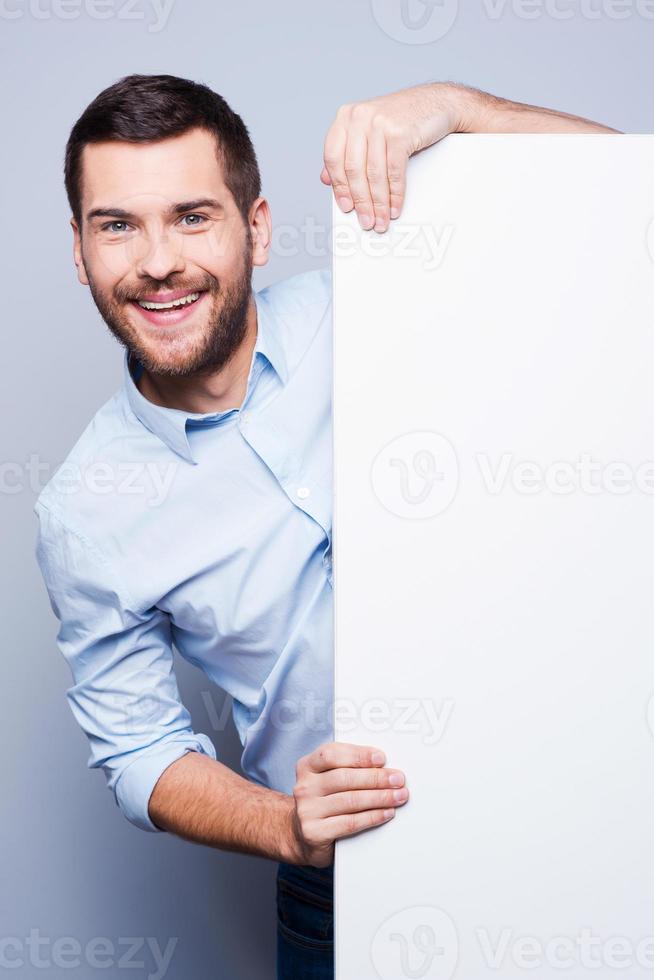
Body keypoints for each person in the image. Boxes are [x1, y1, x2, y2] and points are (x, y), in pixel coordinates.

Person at [34, 73, 616, 979]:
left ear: (256, 226)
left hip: (577, 808)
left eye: (193, 216)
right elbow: (139, 749)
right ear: (79, 249)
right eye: (118, 225)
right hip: (344, 886)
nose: (156, 261)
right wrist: (284, 827)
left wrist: (467, 113)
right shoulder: (83, 513)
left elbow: (624, 210)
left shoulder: (395, 305)